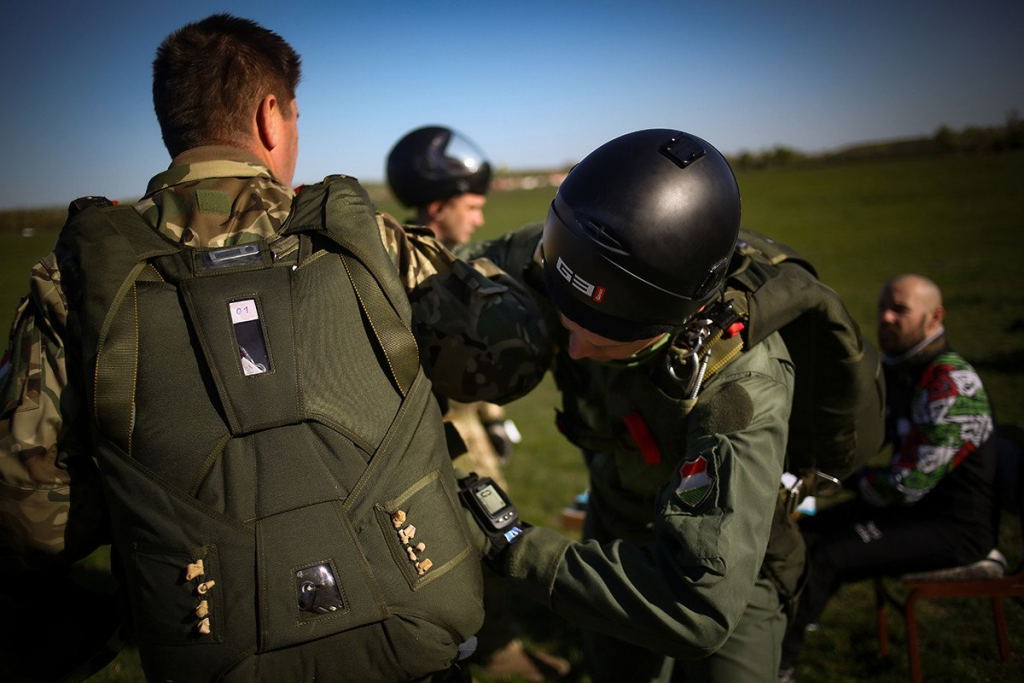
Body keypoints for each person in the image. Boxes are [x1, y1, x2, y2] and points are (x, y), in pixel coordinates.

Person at [0, 14, 550, 683]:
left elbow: (26, 513)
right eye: (295, 116)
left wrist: (143, 486)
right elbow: (512, 359)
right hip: (411, 639)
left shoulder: (79, 277)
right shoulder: (360, 238)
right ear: (270, 116)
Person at [459, 129, 818, 683]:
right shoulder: (571, 251)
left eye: (602, 340)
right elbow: (435, 271)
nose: (575, 350)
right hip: (617, 519)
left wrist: (513, 545)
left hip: (729, 561)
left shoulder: (743, 387)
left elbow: (699, 605)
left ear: (673, 319)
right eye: (566, 321)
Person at [386, 126, 570, 682]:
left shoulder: (456, 265)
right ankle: (496, 649)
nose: (480, 218)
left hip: (469, 426)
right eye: (471, 206)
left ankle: (498, 639)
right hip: (437, 437)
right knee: (474, 541)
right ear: (436, 206)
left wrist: (494, 418)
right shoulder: (402, 273)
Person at [777, 274, 999, 682]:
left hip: (955, 526)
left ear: (935, 317)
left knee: (826, 557)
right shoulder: (903, 369)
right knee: (804, 534)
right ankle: (777, 635)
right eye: (883, 308)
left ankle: (778, 666)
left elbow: (906, 484)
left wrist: (828, 483)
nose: (886, 318)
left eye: (900, 310)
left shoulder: (952, 384)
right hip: (912, 510)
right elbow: (863, 440)